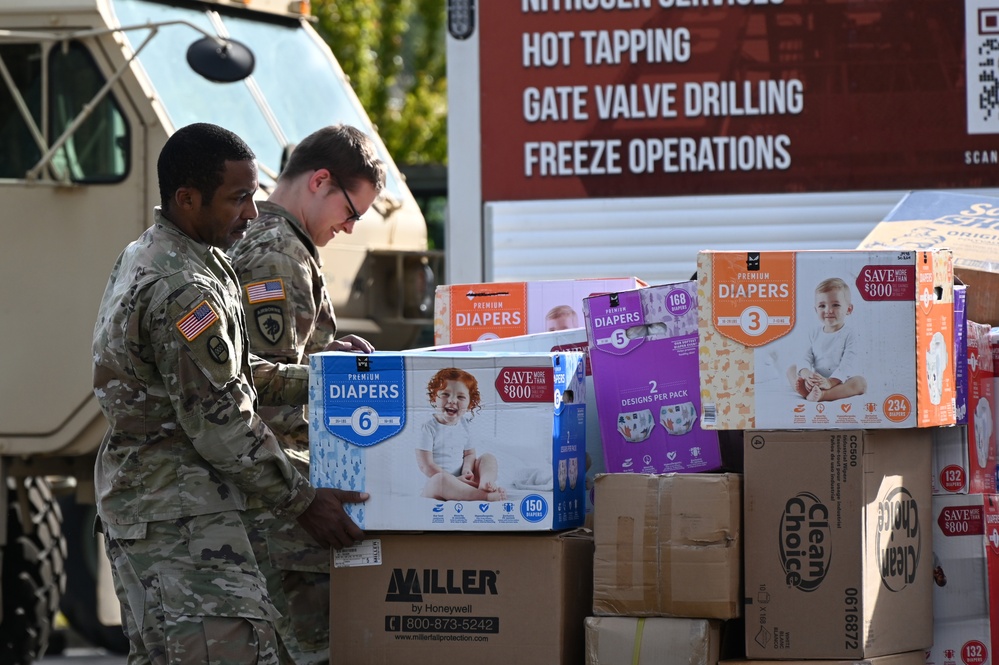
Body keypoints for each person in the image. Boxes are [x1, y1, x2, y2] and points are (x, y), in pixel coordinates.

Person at [92, 122, 368, 665]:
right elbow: (222, 420)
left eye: (253, 195)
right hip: (178, 518)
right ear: (187, 198)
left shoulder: (178, 254)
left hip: (173, 509)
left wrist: (321, 375)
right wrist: (305, 501)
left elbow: (234, 374)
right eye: (238, 198)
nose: (250, 212)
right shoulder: (182, 290)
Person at [226, 124, 383, 664]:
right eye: (352, 212)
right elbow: (263, 391)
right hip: (282, 506)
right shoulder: (278, 255)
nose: (350, 227)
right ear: (320, 180)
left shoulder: (274, 243)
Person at [416, 367, 508, 501]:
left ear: (470, 403)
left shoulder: (465, 425)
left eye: (460, 397)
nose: (452, 400)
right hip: (436, 485)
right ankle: (484, 496)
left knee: (488, 458)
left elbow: (469, 454)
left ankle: (485, 483)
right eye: (445, 394)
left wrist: (467, 470)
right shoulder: (428, 428)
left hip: (463, 480)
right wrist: (454, 479)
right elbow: (426, 466)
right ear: (434, 397)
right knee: (440, 479)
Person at [785, 277, 867, 402]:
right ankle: (805, 390)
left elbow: (847, 364)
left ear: (849, 309)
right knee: (792, 369)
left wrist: (830, 382)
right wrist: (807, 375)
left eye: (836, 305)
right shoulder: (813, 333)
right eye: (822, 306)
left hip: (841, 381)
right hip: (817, 379)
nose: (828, 310)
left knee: (860, 383)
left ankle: (823, 395)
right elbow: (805, 357)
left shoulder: (850, 334)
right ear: (816, 310)